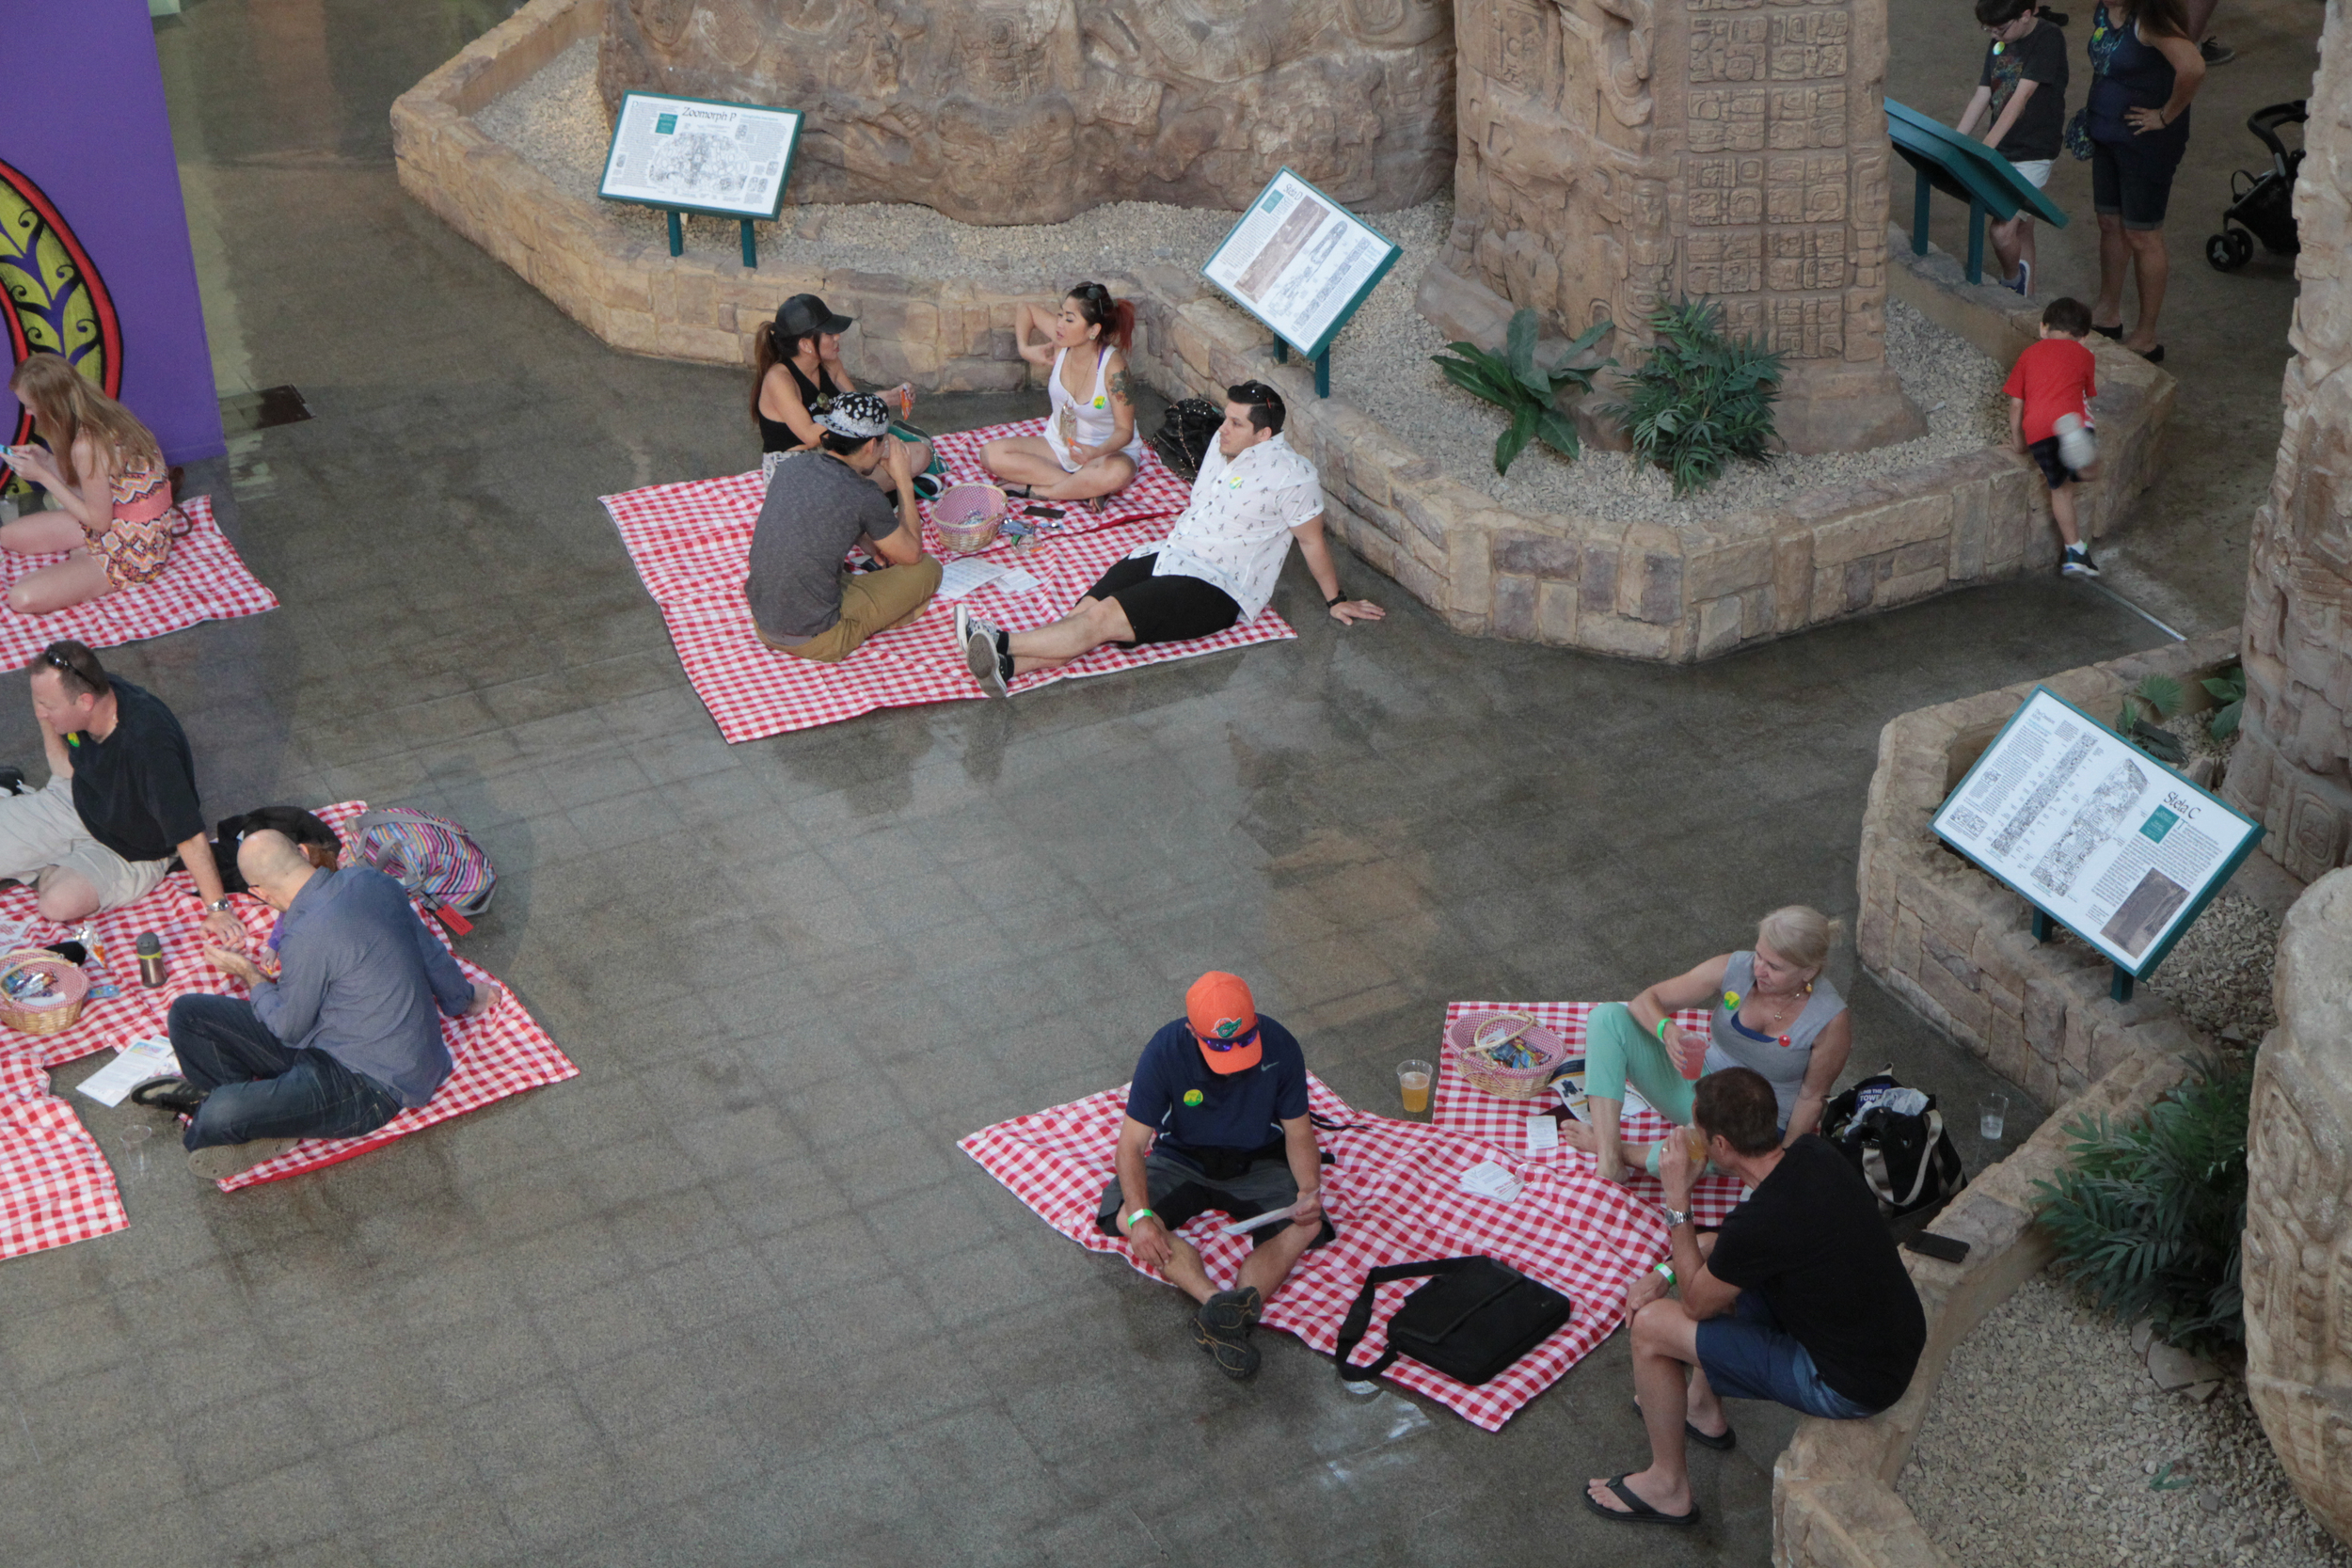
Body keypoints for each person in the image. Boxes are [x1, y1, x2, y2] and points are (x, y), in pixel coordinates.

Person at [1582, 1069, 1927, 1528]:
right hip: (1892, 1346)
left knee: (1649, 1326)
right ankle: (1702, 1409)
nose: (1690, 1137)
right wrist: (1666, 1271)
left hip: (1849, 1384)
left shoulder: (1760, 1222)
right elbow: (1725, 1248)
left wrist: (1677, 1198)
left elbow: (1697, 1305)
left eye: (1697, 1131)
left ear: (1720, 1146)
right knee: (1707, 1251)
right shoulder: (1813, 1154)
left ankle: (1668, 1487)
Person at [956, 382, 1384, 696]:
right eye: (1227, 416)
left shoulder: (1293, 478)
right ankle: (1008, 668)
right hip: (1170, 553)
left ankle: (998, 639)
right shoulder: (1222, 442)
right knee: (1083, 615)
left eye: (1236, 423)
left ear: (1264, 435)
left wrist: (1335, 599)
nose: (1224, 428)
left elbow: (1311, 542)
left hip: (1218, 587)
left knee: (1101, 621)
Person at [132, 830, 501, 1180]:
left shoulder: (306, 937)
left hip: (371, 1086)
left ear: (259, 892)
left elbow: (288, 1027)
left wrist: (248, 973)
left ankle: (226, 1108)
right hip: (332, 1038)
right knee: (188, 1013)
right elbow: (429, 950)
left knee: (218, 1113)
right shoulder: (371, 880)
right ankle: (262, 1116)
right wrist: (464, 998)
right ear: (304, 853)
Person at [1096, 971, 1332, 1381]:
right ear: (1191, 1031)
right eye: (1222, 1046)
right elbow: (1130, 1146)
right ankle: (1217, 1303)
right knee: (1126, 1218)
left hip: (1258, 1160)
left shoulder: (1281, 1046)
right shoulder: (1164, 1051)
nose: (1235, 1054)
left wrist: (1309, 1190)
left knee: (1307, 1224)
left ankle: (1229, 1313)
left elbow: (1298, 1131)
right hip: (1181, 1157)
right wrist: (1140, 1219)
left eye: (1244, 1041)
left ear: (1255, 1022)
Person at [1557, 906, 1853, 1183]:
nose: (1759, 969)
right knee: (1606, 1018)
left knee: (1710, 1157)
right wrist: (1667, 1029)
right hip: (1700, 1088)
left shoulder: (1830, 1020)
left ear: (1808, 971)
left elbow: (1811, 1098)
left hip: (1753, 1124)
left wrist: (1784, 1161)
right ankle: (1609, 1161)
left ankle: (1616, 1148)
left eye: (1773, 966)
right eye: (1759, 955)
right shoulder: (1736, 967)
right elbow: (1645, 1001)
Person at [0, 641, 244, 935]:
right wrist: (58, 755)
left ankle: (48, 861)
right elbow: (62, 752)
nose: (40, 713)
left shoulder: (148, 747)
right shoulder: (89, 689)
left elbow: (189, 835)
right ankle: (43, 852)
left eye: (48, 706)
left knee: (56, 905)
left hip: (134, 849)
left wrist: (217, 909)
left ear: (85, 702)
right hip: (76, 800)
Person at [744, 393, 944, 662]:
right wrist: (903, 481)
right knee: (928, 570)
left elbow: (824, 517)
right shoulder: (864, 494)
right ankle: (874, 622)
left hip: (764, 622)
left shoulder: (791, 466)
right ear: (872, 445)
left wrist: (868, 542)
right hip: (819, 639)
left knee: (814, 568)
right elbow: (911, 555)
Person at [2, 353, 183, 613]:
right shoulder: (105, 412)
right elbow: (95, 490)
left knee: (21, 598)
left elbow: (99, 521)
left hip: (134, 549)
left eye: (30, 405)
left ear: (52, 404)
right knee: (7, 536)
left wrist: (43, 477)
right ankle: (84, 557)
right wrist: (47, 462)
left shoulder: (88, 445)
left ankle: (91, 563)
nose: (28, 413)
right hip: (121, 523)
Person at [2083, 0, 2206, 361]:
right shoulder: (2106, 10)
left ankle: (2146, 335)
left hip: (2145, 145)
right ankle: (2107, 311)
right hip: (2108, 132)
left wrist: (2165, 116)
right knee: (2109, 222)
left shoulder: (2152, 19)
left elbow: (2193, 68)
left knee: (2142, 234)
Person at [750, 293, 934, 492]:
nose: (837, 337)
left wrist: (890, 397)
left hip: (834, 450)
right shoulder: (779, 379)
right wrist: (872, 401)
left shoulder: (831, 363)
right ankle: (891, 489)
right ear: (805, 345)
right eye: (829, 334)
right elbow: (810, 436)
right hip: (794, 467)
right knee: (875, 472)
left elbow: (857, 410)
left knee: (919, 453)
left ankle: (876, 490)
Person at [979, 283, 1145, 504]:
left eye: (1069, 319)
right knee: (991, 454)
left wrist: (1094, 453)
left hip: (1103, 455)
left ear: (1093, 330)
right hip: (1059, 445)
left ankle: (1034, 491)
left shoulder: (1114, 368)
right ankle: (1083, 488)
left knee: (1119, 472)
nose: (1059, 324)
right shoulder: (1063, 343)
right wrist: (1025, 349)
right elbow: (1025, 309)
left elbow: (1124, 431)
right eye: (1060, 315)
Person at [1956, 0, 2069, 295]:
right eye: (1988, 29)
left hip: (2033, 150)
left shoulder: (2048, 38)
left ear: (2026, 15)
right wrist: (1955, 141)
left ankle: (2012, 279)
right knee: (2022, 226)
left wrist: (1986, 149)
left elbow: (2020, 100)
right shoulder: (1999, 39)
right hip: (2003, 147)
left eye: (2001, 29)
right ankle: (2026, 300)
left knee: (2002, 231)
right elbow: (1983, 93)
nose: (1994, 36)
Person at [2006, 296, 2104, 577]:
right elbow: (2086, 396)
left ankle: (2075, 552)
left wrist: (2018, 442)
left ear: (2042, 328)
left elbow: (2015, 404)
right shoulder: (2085, 356)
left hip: (2037, 430)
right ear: (2083, 338)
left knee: (2059, 490)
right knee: (2090, 471)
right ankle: (2081, 451)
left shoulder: (2028, 355)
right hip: (2070, 420)